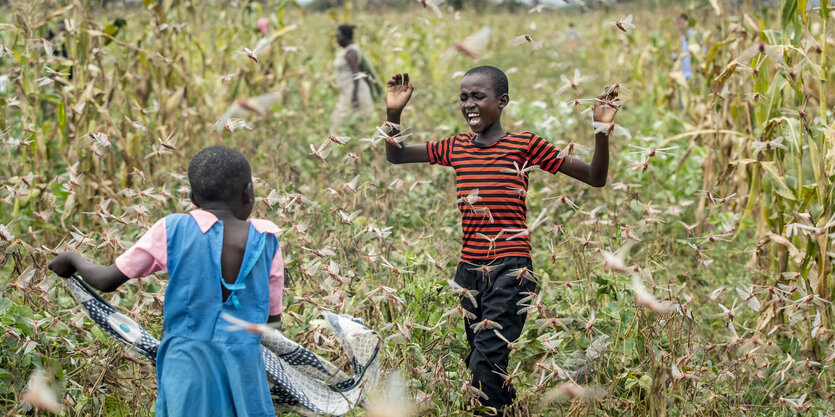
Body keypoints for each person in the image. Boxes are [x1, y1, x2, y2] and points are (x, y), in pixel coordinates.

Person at [380, 67, 619, 414]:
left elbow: (594, 177)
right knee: (484, 363)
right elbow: (396, 154)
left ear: (502, 101)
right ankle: (511, 409)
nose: (469, 104)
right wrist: (393, 113)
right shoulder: (456, 147)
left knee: (484, 361)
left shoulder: (525, 145)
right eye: (464, 97)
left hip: (511, 271)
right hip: (469, 275)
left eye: (478, 96)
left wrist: (600, 130)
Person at [49, 146, 284, 417]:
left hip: (186, 368)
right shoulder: (267, 241)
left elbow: (106, 280)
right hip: (243, 373)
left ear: (193, 197)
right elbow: (271, 322)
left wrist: (72, 259)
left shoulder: (172, 229)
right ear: (249, 192)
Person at [330, 24, 374, 132]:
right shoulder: (346, 51)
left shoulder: (351, 52)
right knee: (345, 119)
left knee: (343, 119)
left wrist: (354, 96)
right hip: (347, 90)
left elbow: (356, 73)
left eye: (338, 36)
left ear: (345, 37)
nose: (337, 40)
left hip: (354, 90)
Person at [676, 13, 703, 82]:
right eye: (678, 24)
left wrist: (699, 65)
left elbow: (702, 50)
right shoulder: (682, 37)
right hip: (684, 73)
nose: (679, 26)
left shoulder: (693, 34)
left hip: (693, 72)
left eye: (681, 23)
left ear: (686, 22)